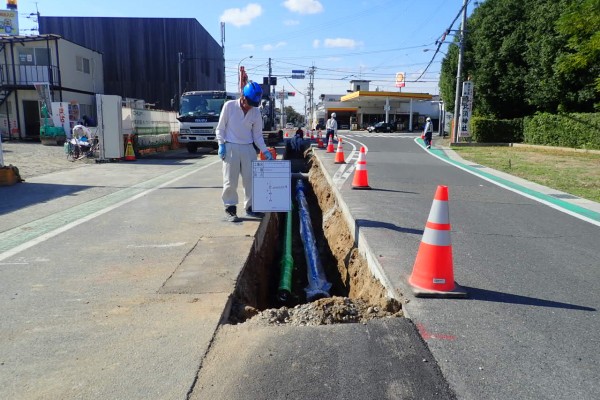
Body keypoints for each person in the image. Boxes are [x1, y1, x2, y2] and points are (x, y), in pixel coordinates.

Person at [216, 81, 273, 222]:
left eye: (253, 104)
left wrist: (265, 151)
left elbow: (257, 135)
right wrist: (221, 144)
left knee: (250, 180)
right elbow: (220, 128)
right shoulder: (229, 106)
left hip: (248, 148)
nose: (249, 107)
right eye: (249, 102)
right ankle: (230, 209)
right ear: (243, 96)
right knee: (230, 180)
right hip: (231, 147)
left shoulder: (255, 112)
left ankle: (250, 207)